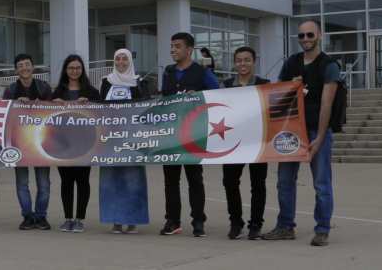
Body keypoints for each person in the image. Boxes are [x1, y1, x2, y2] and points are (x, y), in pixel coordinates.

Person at [263, 19, 339, 247]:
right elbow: (277, 94)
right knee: (284, 181)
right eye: (301, 36)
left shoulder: (329, 65)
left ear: (319, 35)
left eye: (310, 35)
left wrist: (320, 137)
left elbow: (327, 105)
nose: (305, 39)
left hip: (317, 129)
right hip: (291, 130)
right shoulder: (291, 63)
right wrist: (290, 86)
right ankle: (285, 226)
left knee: (321, 184)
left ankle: (322, 229)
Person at [160, 32, 219, 237]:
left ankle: (198, 221)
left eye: (177, 46)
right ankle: (173, 220)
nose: (173, 50)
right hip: (170, 133)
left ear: (189, 49)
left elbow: (218, 94)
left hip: (194, 134)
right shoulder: (168, 72)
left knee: (194, 178)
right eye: (172, 46)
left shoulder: (202, 73)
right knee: (171, 180)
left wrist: (200, 97)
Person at [98, 49, 150, 235]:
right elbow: (100, 106)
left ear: (129, 61)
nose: (121, 62)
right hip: (110, 139)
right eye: (118, 58)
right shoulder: (106, 81)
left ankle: (133, 220)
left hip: (132, 138)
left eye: (124, 59)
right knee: (111, 180)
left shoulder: (139, 82)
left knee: (133, 179)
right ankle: (116, 220)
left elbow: (145, 106)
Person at [221, 46, 270, 240]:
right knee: (230, 182)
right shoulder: (225, 85)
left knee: (258, 184)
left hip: (258, 141)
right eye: (239, 60)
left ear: (254, 61)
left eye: (247, 60)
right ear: (235, 63)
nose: (243, 64)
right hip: (233, 143)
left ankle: (256, 224)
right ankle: (236, 222)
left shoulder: (264, 84)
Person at [2, 53, 54, 231]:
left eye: (27, 64)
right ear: (16, 70)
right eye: (20, 65)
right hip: (19, 144)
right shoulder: (10, 90)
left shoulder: (44, 87)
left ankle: (41, 217)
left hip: (41, 143)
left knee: (44, 183)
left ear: (32, 67)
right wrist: (16, 103)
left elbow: (55, 111)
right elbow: (4, 114)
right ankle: (27, 216)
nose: (24, 68)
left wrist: (43, 105)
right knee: (22, 183)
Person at [52, 54, 101, 234]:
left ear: (82, 70)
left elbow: (102, 112)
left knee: (82, 181)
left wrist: (90, 105)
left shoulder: (91, 92)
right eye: (71, 68)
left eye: (78, 68)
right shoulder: (57, 92)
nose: (74, 71)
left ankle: (80, 219)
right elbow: (45, 116)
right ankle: (67, 218)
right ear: (66, 70)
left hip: (85, 144)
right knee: (66, 181)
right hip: (62, 144)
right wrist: (52, 104)